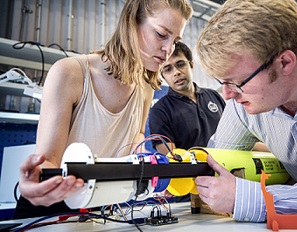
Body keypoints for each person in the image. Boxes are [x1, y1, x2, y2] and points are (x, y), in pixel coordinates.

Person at [14, 0, 193, 219]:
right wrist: (35, 185)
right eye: (161, 34)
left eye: (175, 40)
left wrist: (155, 166)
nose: (169, 50)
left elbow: (132, 138)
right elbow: (49, 160)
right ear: (132, 23)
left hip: (98, 205)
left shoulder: (145, 88)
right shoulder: (70, 73)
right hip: (49, 207)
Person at [194, 0, 297, 223]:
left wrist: (245, 198)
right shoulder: (245, 100)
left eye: (236, 82)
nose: (227, 95)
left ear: (285, 62)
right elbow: (217, 160)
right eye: (222, 82)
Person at [149, 41, 226, 156]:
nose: (176, 72)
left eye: (180, 64)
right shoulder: (160, 111)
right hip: (194, 173)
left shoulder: (214, 96)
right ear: (163, 75)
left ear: (191, 65)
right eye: (168, 69)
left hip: (228, 167)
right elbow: (173, 160)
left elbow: (238, 139)